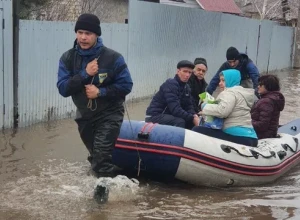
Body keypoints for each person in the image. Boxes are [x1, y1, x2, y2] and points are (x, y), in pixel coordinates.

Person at [56, 13, 133, 177]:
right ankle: (119, 181)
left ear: (96, 34)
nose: (83, 37)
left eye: (88, 34)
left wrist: (100, 92)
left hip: (109, 114)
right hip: (85, 116)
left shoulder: (113, 58)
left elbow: (126, 85)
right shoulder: (68, 58)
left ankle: (102, 200)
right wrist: (84, 74)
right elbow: (63, 89)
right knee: (94, 157)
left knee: (101, 159)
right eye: (80, 32)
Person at [193, 69, 258, 147]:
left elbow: (222, 111)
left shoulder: (229, 92)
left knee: (197, 130)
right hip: (251, 137)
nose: (220, 83)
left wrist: (204, 106)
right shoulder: (241, 93)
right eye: (220, 80)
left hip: (237, 136)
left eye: (223, 80)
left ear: (231, 80)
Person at [145, 60, 200, 129]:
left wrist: (195, 115)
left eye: (190, 72)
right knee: (180, 121)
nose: (187, 75)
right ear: (178, 71)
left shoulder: (186, 87)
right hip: (155, 115)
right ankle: (177, 139)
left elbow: (188, 106)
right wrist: (192, 118)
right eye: (185, 71)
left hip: (168, 115)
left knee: (190, 121)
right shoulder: (171, 84)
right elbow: (176, 110)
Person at [251, 75, 285, 139]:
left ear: (268, 87)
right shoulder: (273, 98)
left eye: (260, 85)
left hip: (263, 134)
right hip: (270, 132)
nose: (258, 87)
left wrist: (245, 123)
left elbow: (262, 125)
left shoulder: (267, 102)